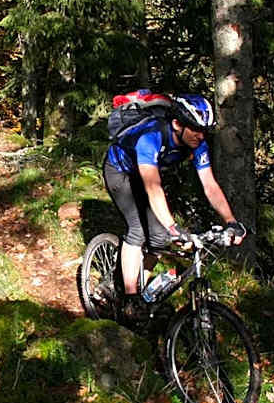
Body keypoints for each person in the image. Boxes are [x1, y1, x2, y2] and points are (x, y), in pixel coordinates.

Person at [103, 93, 246, 319]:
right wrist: (173, 226)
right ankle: (129, 299)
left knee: (159, 239)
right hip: (119, 172)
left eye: (204, 131)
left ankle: (141, 284)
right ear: (178, 124)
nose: (201, 136)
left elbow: (210, 185)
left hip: (146, 176)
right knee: (138, 230)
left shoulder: (197, 144)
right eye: (196, 129)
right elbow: (153, 187)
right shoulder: (150, 137)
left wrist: (231, 221)